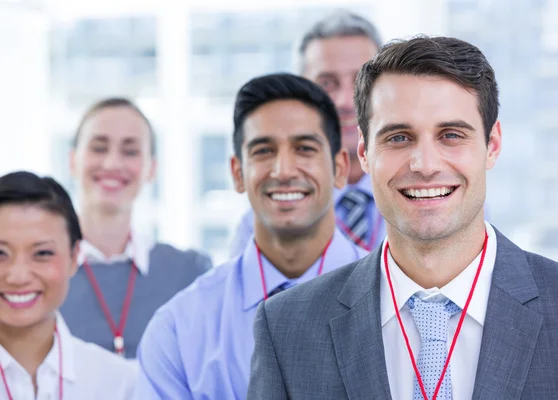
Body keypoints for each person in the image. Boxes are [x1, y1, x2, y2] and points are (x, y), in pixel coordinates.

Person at [247, 37, 558, 399]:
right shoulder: (286, 328)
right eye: (399, 137)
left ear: (492, 145)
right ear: (365, 154)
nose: (425, 165)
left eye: (451, 135)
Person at [134, 73, 368, 399]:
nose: (283, 170)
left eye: (304, 148)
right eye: (263, 150)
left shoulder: (396, 302)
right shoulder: (179, 329)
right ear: (237, 173)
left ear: (340, 168)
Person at [60, 98, 212, 359]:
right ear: (73, 161)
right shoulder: (40, 270)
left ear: (151, 169)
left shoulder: (189, 274)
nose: (111, 163)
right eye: (98, 147)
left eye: (130, 151)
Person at [229, 10, 386, 256]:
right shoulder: (260, 224)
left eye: (361, 82)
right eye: (327, 83)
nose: (346, 101)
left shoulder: (423, 196)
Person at [0, 171, 136, 399]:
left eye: (42, 253)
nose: (18, 276)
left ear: (75, 257)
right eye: (0, 253)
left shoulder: (118, 383)